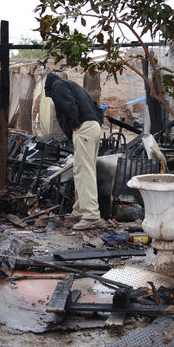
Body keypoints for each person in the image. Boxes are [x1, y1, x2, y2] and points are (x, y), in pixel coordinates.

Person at [44, 72, 105, 231]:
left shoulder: (57, 85)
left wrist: (75, 125)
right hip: (92, 128)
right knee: (81, 170)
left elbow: (69, 105)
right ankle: (78, 211)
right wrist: (96, 123)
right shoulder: (76, 86)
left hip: (83, 129)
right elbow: (97, 108)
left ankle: (91, 216)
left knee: (84, 172)